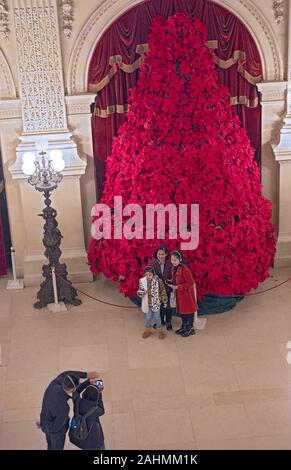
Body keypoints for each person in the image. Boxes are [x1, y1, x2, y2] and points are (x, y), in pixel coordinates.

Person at [37, 370, 99, 450]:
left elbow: (66, 374)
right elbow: (56, 428)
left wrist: (86, 375)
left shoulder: (53, 385)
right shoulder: (64, 408)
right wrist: (43, 426)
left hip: (46, 422)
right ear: (72, 390)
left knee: (50, 445)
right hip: (56, 434)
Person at [169, 251, 197, 337]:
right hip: (180, 294)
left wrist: (179, 287)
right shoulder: (174, 268)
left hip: (186, 295)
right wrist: (171, 282)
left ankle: (190, 328)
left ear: (180, 259)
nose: (173, 262)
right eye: (172, 260)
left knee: (188, 311)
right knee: (182, 312)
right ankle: (184, 326)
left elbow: (191, 283)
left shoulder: (185, 270)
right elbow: (176, 279)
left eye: (175, 260)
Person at [69, 384, 105, 450]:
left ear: (84, 393)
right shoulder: (95, 409)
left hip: (80, 438)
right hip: (94, 443)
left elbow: (76, 391)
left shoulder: (77, 401)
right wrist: (99, 394)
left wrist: (88, 382)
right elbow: (102, 411)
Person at [137, 266, 168, 339]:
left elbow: (162, 291)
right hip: (147, 304)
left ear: (153, 274)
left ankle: (160, 331)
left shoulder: (158, 281)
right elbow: (140, 291)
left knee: (158, 317)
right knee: (148, 318)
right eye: (146, 275)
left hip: (156, 303)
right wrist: (141, 293)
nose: (148, 276)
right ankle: (147, 330)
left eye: (150, 275)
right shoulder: (142, 281)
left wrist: (164, 300)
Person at [151, 245, 174, 330]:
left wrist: (171, 283)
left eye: (162, 254)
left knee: (168, 306)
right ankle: (160, 321)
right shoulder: (153, 263)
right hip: (158, 289)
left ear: (166, 254)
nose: (160, 256)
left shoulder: (170, 263)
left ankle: (168, 322)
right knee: (159, 306)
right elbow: (150, 275)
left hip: (168, 288)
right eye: (159, 254)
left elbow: (173, 275)